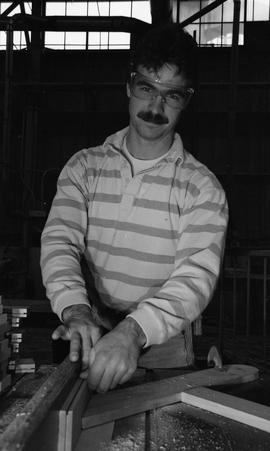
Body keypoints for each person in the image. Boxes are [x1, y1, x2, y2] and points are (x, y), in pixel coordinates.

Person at [40, 23, 228, 393]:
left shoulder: (201, 187)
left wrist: (133, 332)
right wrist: (76, 310)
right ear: (129, 86)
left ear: (186, 100)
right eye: (147, 88)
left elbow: (194, 277)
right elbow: (60, 241)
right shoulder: (84, 167)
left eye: (171, 95)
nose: (155, 107)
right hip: (93, 335)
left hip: (166, 354)